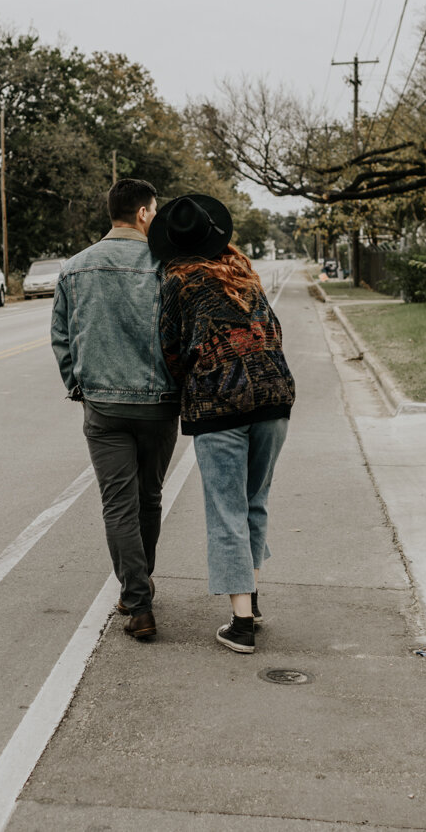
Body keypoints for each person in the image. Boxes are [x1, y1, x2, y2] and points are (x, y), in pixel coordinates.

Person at [153, 194, 295, 654]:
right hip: (274, 397)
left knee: (226, 510)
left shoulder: (177, 282)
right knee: (255, 501)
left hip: (220, 405)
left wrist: (190, 379)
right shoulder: (244, 274)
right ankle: (250, 600)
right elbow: (272, 331)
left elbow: (170, 349)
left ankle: (241, 625)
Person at [50, 178, 180, 642]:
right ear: (144, 213)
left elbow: (61, 338)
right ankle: (138, 588)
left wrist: (78, 385)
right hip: (160, 405)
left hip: (103, 407)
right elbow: (181, 333)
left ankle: (138, 601)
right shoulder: (167, 267)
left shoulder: (74, 269)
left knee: (118, 506)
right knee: (149, 498)